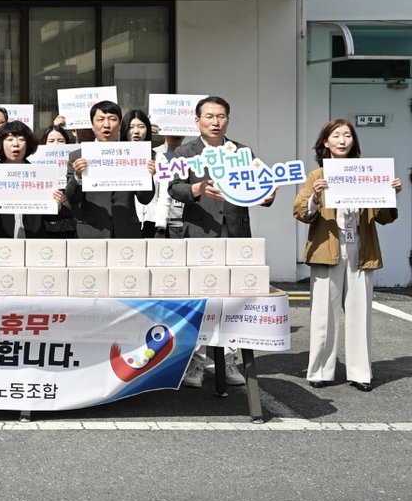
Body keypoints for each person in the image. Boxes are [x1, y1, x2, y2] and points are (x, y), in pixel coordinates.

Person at [169, 95, 272, 388]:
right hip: (200, 231)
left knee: (234, 299)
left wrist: (267, 195)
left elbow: (259, 186)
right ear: (197, 120)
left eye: (221, 116)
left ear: (228, 119)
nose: (215, 122)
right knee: (199, 299)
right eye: (209, 116)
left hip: (236, 233)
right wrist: (197, 189)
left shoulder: (242, 151)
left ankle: (228, 360)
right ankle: (195, 362)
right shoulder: (184, 152)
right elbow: (174, 188)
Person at [294, 119, 401, 392]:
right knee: (323, 313)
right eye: (336, 135)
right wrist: (315, 198)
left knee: (360, 312)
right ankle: (320, 371)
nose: (342, 140)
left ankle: (360, 372)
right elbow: (300, 212)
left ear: (354, 141)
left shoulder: (367, 173)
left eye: (347, 135)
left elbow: (385, 217)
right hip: (326, 246)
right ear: (325, 142)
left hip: (361, 247)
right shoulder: (317, 176)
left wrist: (389, 195)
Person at [65, 101, 155, 239]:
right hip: (92, 232)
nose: (106, 125)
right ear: (92, 125)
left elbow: (145, 199)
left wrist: (147, 176)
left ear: (120, 124)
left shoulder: (133, 154)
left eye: (112, 119)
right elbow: (72, 198)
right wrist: (78, 177)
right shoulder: (78, 156)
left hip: (126, 231)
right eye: (100, 119)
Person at [0, 121, 63, 238]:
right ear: (1, 143)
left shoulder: (40, 175)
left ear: (28, 144)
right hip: (0, 241)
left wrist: (57, 204)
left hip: (34, 240)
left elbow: (51, 217)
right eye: (10, 139)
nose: (15, 144)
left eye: (21, 139)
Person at [122, 109, 165, 238]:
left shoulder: (159, 158)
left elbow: (165, 193)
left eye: (141, 126)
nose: (136, 131)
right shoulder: (116, 159)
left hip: (152, 222)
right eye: (131, 127)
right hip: (123, 221)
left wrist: (161, 226)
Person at [40, 123, 78, 239]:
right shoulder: (37, 168)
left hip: (72, 227)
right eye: (51, 141)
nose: (56, 144)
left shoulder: (74, 165)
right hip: (45, 229)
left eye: (60, 140)